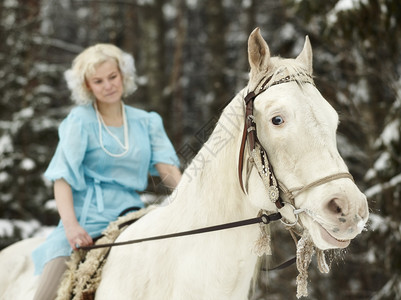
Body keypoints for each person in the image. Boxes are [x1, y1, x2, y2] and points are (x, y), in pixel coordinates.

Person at [32, 44, 182, 300]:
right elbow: (62, 178)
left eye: (112, 77)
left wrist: (190, 201)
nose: (108, 85)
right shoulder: (79, 120)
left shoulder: (147, 122)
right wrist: (71, 228)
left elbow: (168, 170)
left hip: (131, 213)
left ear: (123, 75)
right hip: (84, 216)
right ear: (87, 86)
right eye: (98, 81)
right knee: (49, 289)